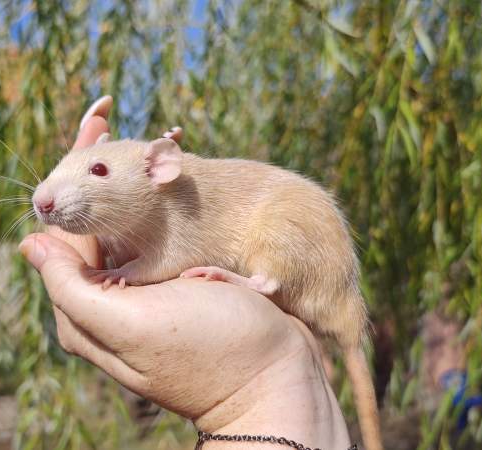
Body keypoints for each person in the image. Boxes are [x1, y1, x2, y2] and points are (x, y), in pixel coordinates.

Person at [18, 96, 356, 449]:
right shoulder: (144, 215)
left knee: (279, 220)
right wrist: (269, 377)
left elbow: (171, 257)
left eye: (98, 171)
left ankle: (265, 281)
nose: (44, 198)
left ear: (157, 170)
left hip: (298, 248)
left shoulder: (173, 208)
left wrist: (130, 273)